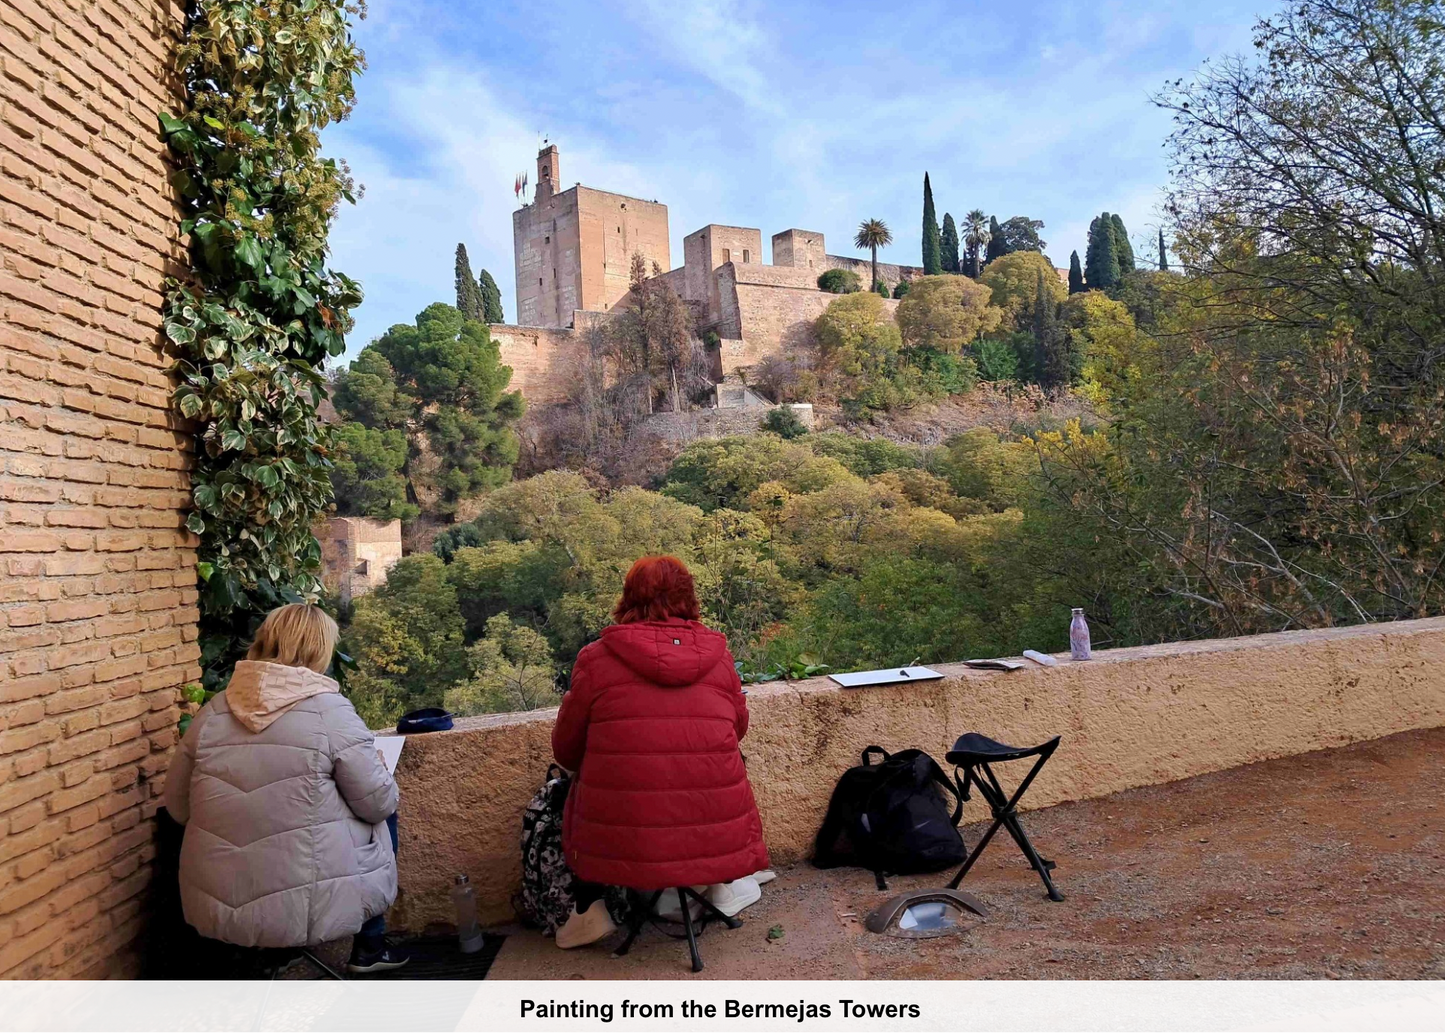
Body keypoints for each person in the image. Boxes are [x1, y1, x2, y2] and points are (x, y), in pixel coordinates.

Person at [163, 604, 409, 974]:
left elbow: (177, 806)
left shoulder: (212, 712)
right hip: (305, 903)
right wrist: (377, 768)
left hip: (219, 901)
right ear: (318, 649)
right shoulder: (330, 711)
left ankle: (269, 956)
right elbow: (378, 802)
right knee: (380, 815)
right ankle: (370, 946)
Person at [551, 555, 771, 948]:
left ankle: (589, 908)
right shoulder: (719, 657)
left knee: (572, 788)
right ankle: (718, 886)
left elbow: (566, 751)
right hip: (713, 826)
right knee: (715, 768)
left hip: (628, 835)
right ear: (689, 597)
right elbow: (738, 731)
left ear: (629, 598)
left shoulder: (596, 659)